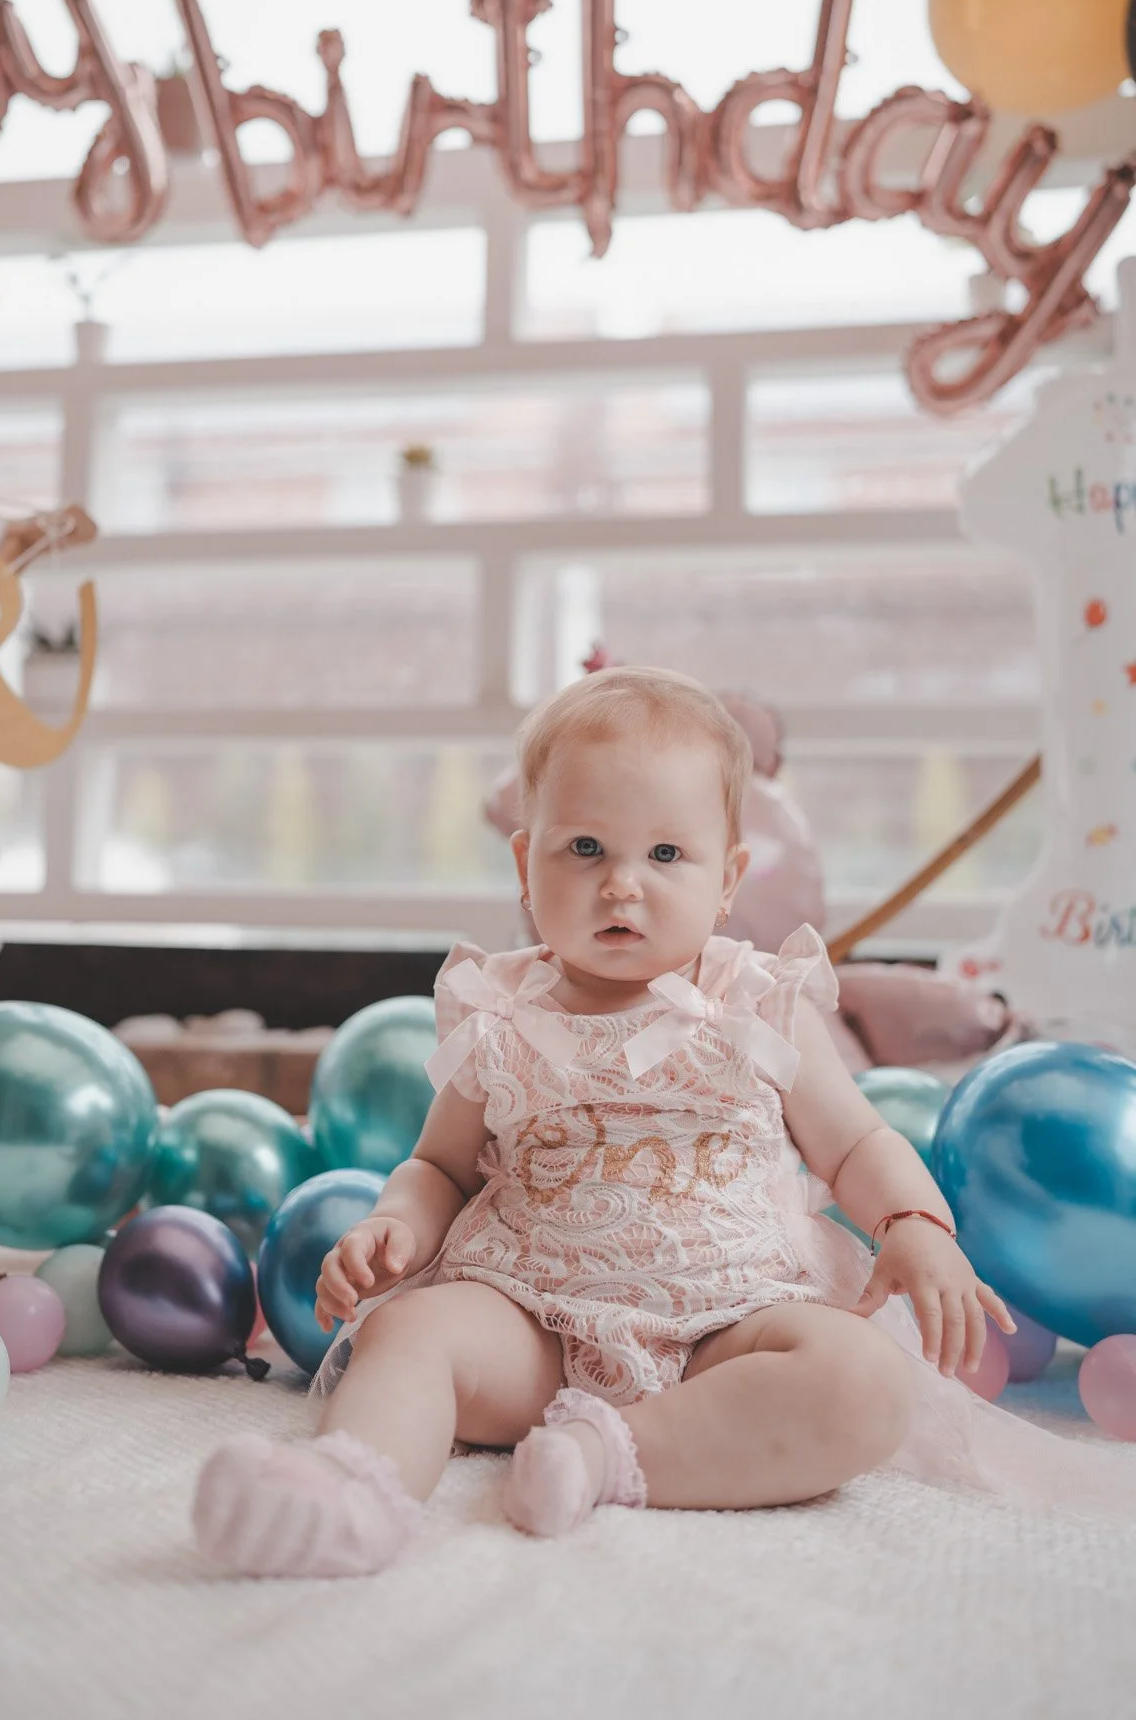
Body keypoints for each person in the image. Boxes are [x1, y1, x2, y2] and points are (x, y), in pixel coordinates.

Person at [192, 667, 1126, 1580]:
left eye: (666, 855)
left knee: (863, 1382)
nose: (621, 886)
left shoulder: (757, 1002)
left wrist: (914, 1223)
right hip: (531, 1322)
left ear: (728, 879)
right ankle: (351, 1492)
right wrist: (396, 1223)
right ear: (525, 865)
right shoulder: (501, 1014)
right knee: (411, 1334)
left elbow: (855, 1142)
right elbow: (439, 1166)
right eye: (584, 848)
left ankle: (611, 1454)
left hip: (730, 1323)